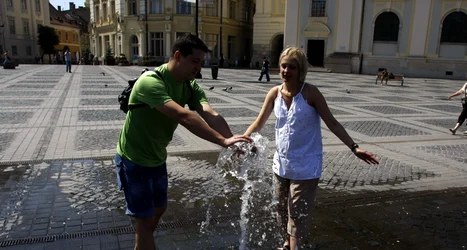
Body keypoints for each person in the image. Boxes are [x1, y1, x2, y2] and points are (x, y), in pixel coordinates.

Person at [115, 34, 252, 250]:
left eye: (201, 63)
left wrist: (235, 141)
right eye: (195, 62)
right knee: (144, 221)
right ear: (178, 56)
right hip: (133, 159)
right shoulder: (150, 82)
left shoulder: (189, 86)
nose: (199, 68)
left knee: (158, 209)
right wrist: (223, 141)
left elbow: (210, 113)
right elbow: (184, 116)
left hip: (157, 158)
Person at [244, 47, 379, 250]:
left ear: (300, 70)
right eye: (283, 66)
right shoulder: (274, 93)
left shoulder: (310, 93)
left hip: (306, 166)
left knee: (296, 213)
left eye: (292, 67)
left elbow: (332, 123)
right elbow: (259, 122)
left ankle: (295, 246)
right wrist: (243, 140)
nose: (286, 71)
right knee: (281, 210)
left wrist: (354, 147)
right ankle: (287, 244)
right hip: (280, 165)